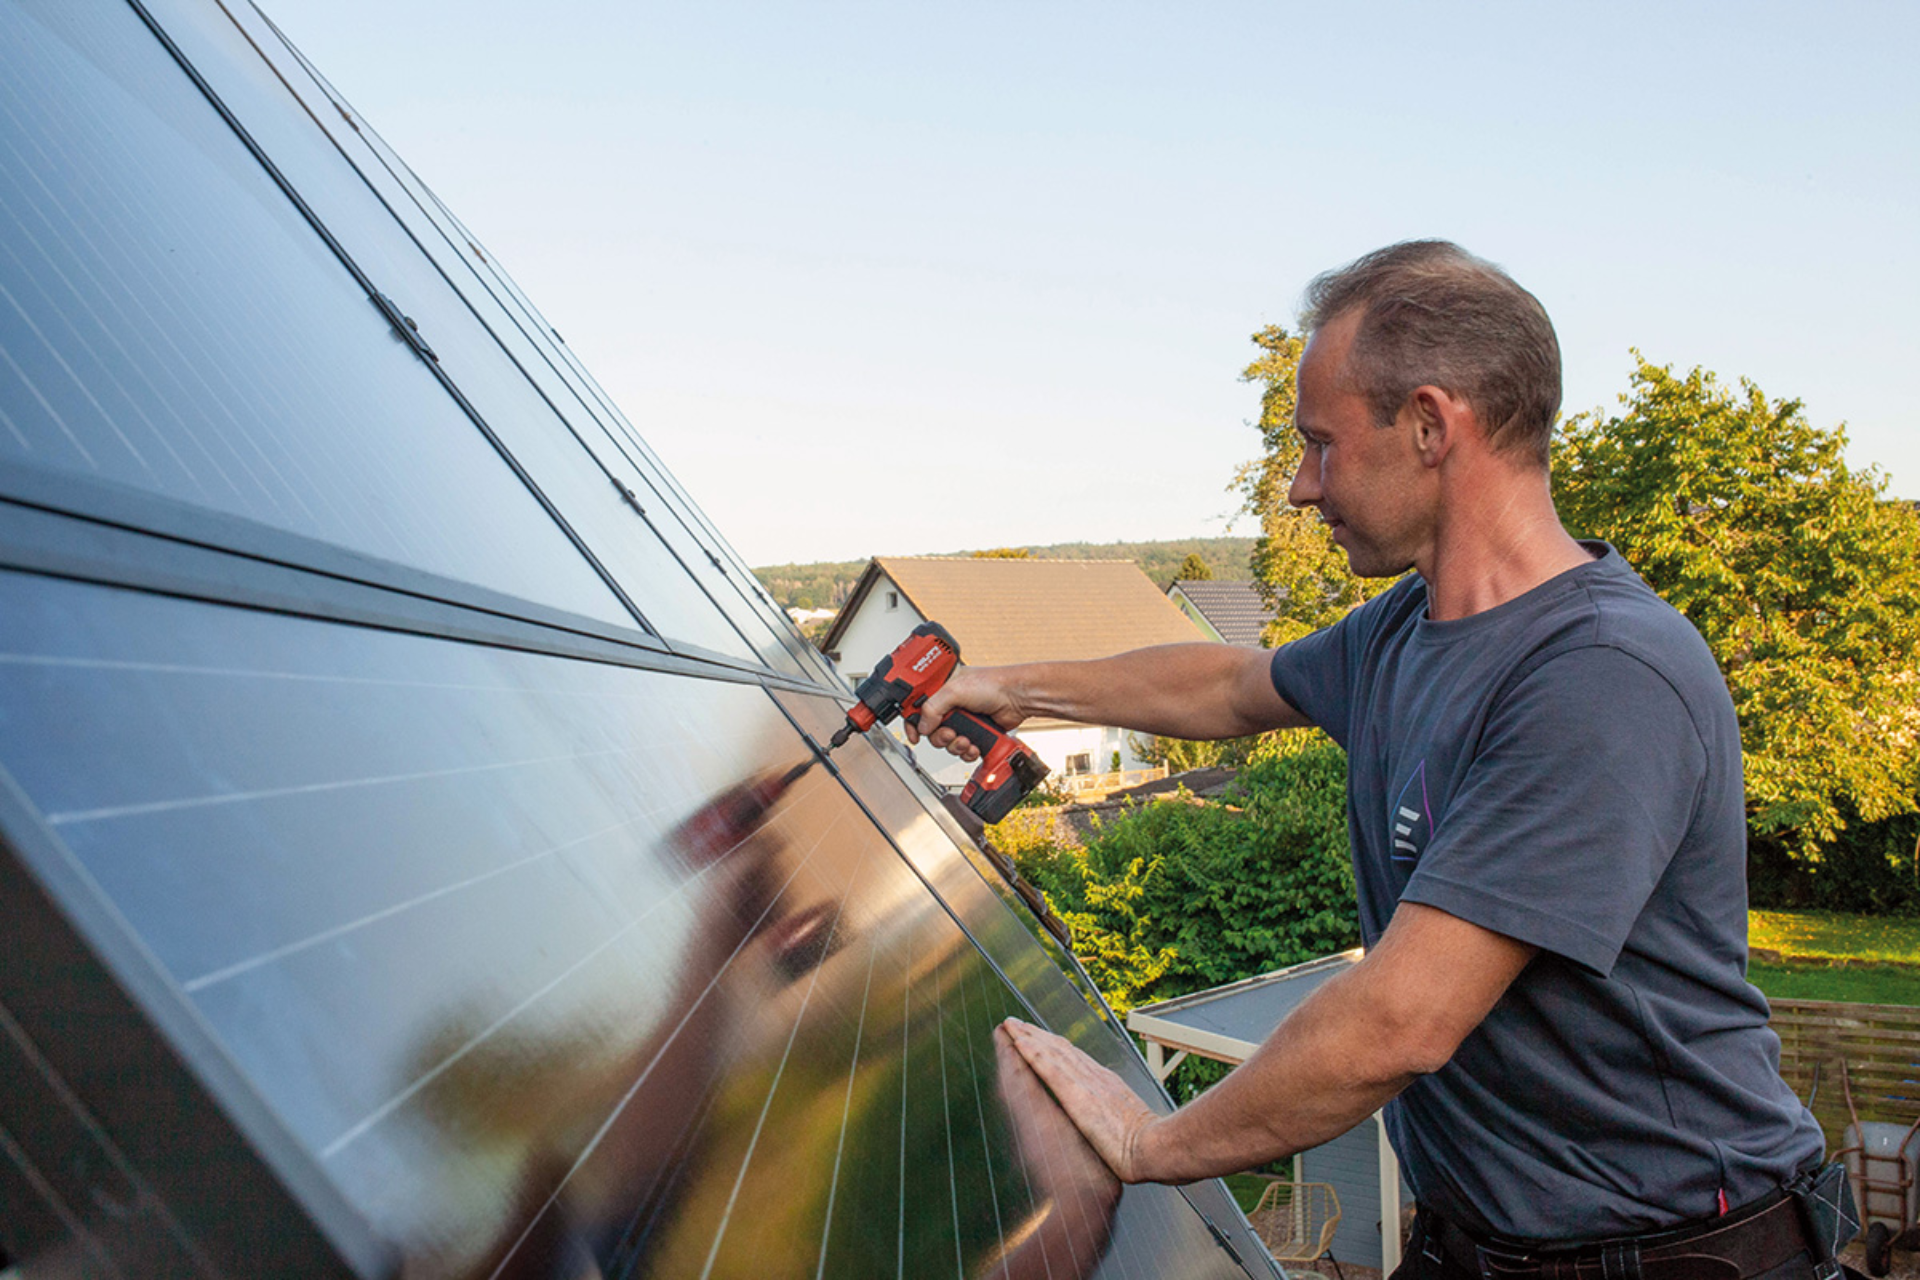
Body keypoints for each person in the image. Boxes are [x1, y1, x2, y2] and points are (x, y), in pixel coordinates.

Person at [910, 241, 1846, 1278]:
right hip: (1479, 1244)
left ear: (1432, 425)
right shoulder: (1405, 631)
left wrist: (1147, 1143)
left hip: (1671, 1254)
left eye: (1320, 443)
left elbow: (1399, 1020)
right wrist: (1010, 685)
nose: (1303, 485)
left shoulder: (1600, 676)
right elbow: (1226, 687)